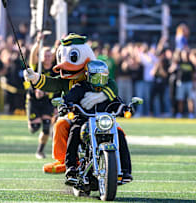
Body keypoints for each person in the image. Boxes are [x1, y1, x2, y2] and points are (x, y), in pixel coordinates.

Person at [24, 34, 123, 173]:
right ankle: (65, 162)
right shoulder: (72, 83)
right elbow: (53, 83)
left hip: (100, 116)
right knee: (63, 126)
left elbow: (112, 86)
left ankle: (124, 168)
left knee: (119, 132)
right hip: (77, 114)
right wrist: (35, 78)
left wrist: (118, 104)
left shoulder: (97, 76)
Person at [63, 60, 132, 183]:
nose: (100, 79)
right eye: (96, 76)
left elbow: (117, 103)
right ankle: (71, 167)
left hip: (103, 123)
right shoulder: (79, 88)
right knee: (74, 131)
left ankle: (125, 171)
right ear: (88, 75)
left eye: (103, 76)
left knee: (120, 134)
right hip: (84, 120)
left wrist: (126, 108)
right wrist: (65, 105)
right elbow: (68, 99)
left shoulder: (107, 92)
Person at [26, 32, 57, 159]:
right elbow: (33, 55)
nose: (48, 57)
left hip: (47, 101)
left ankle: (40, 151)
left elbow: (56, 86)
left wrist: (45, 92)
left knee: (46, 127)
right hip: (34, 99)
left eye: (50, 55)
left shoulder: (54, 69)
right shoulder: (37, 67)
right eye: (45, 55)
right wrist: (38, 42)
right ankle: (31, 122)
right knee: (34, 128)